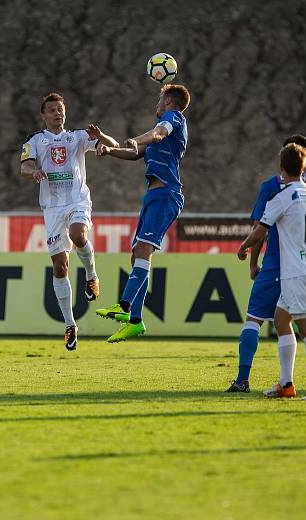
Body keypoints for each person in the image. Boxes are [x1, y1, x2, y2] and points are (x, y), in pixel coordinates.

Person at [226, 135, 306, 394]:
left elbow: (259, 230)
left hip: (291, 270)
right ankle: (286, 383)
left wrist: (245, 250)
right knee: (282, 319)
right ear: (304, 163)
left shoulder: (279, 193)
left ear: (281, 165)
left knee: (304, 327)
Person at [20, 92, 118, 350]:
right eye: (52, 110)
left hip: (77, 201)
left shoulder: (77, 137)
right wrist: (34, 171)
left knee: (78, 235)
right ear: (43, 115)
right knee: (60, 267)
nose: (57, 113)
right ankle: (70, 325)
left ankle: (91, 275)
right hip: (52, 208)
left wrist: (102, 139)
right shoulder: (36, 140)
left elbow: (112, 145)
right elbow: (24, 167)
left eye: (60, 109)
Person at [95, 84, 190, 342]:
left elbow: (157, 134)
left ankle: (124, 308)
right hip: (154, 196)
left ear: (169, 101)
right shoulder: (164, 133)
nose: (156, 104)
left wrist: (137, 137)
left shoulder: (174, 118)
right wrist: (110, 150)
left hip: (166, 194)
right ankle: (135, 321)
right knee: (137, 254)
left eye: (160, 98)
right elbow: (136, 153)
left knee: (144, 251)